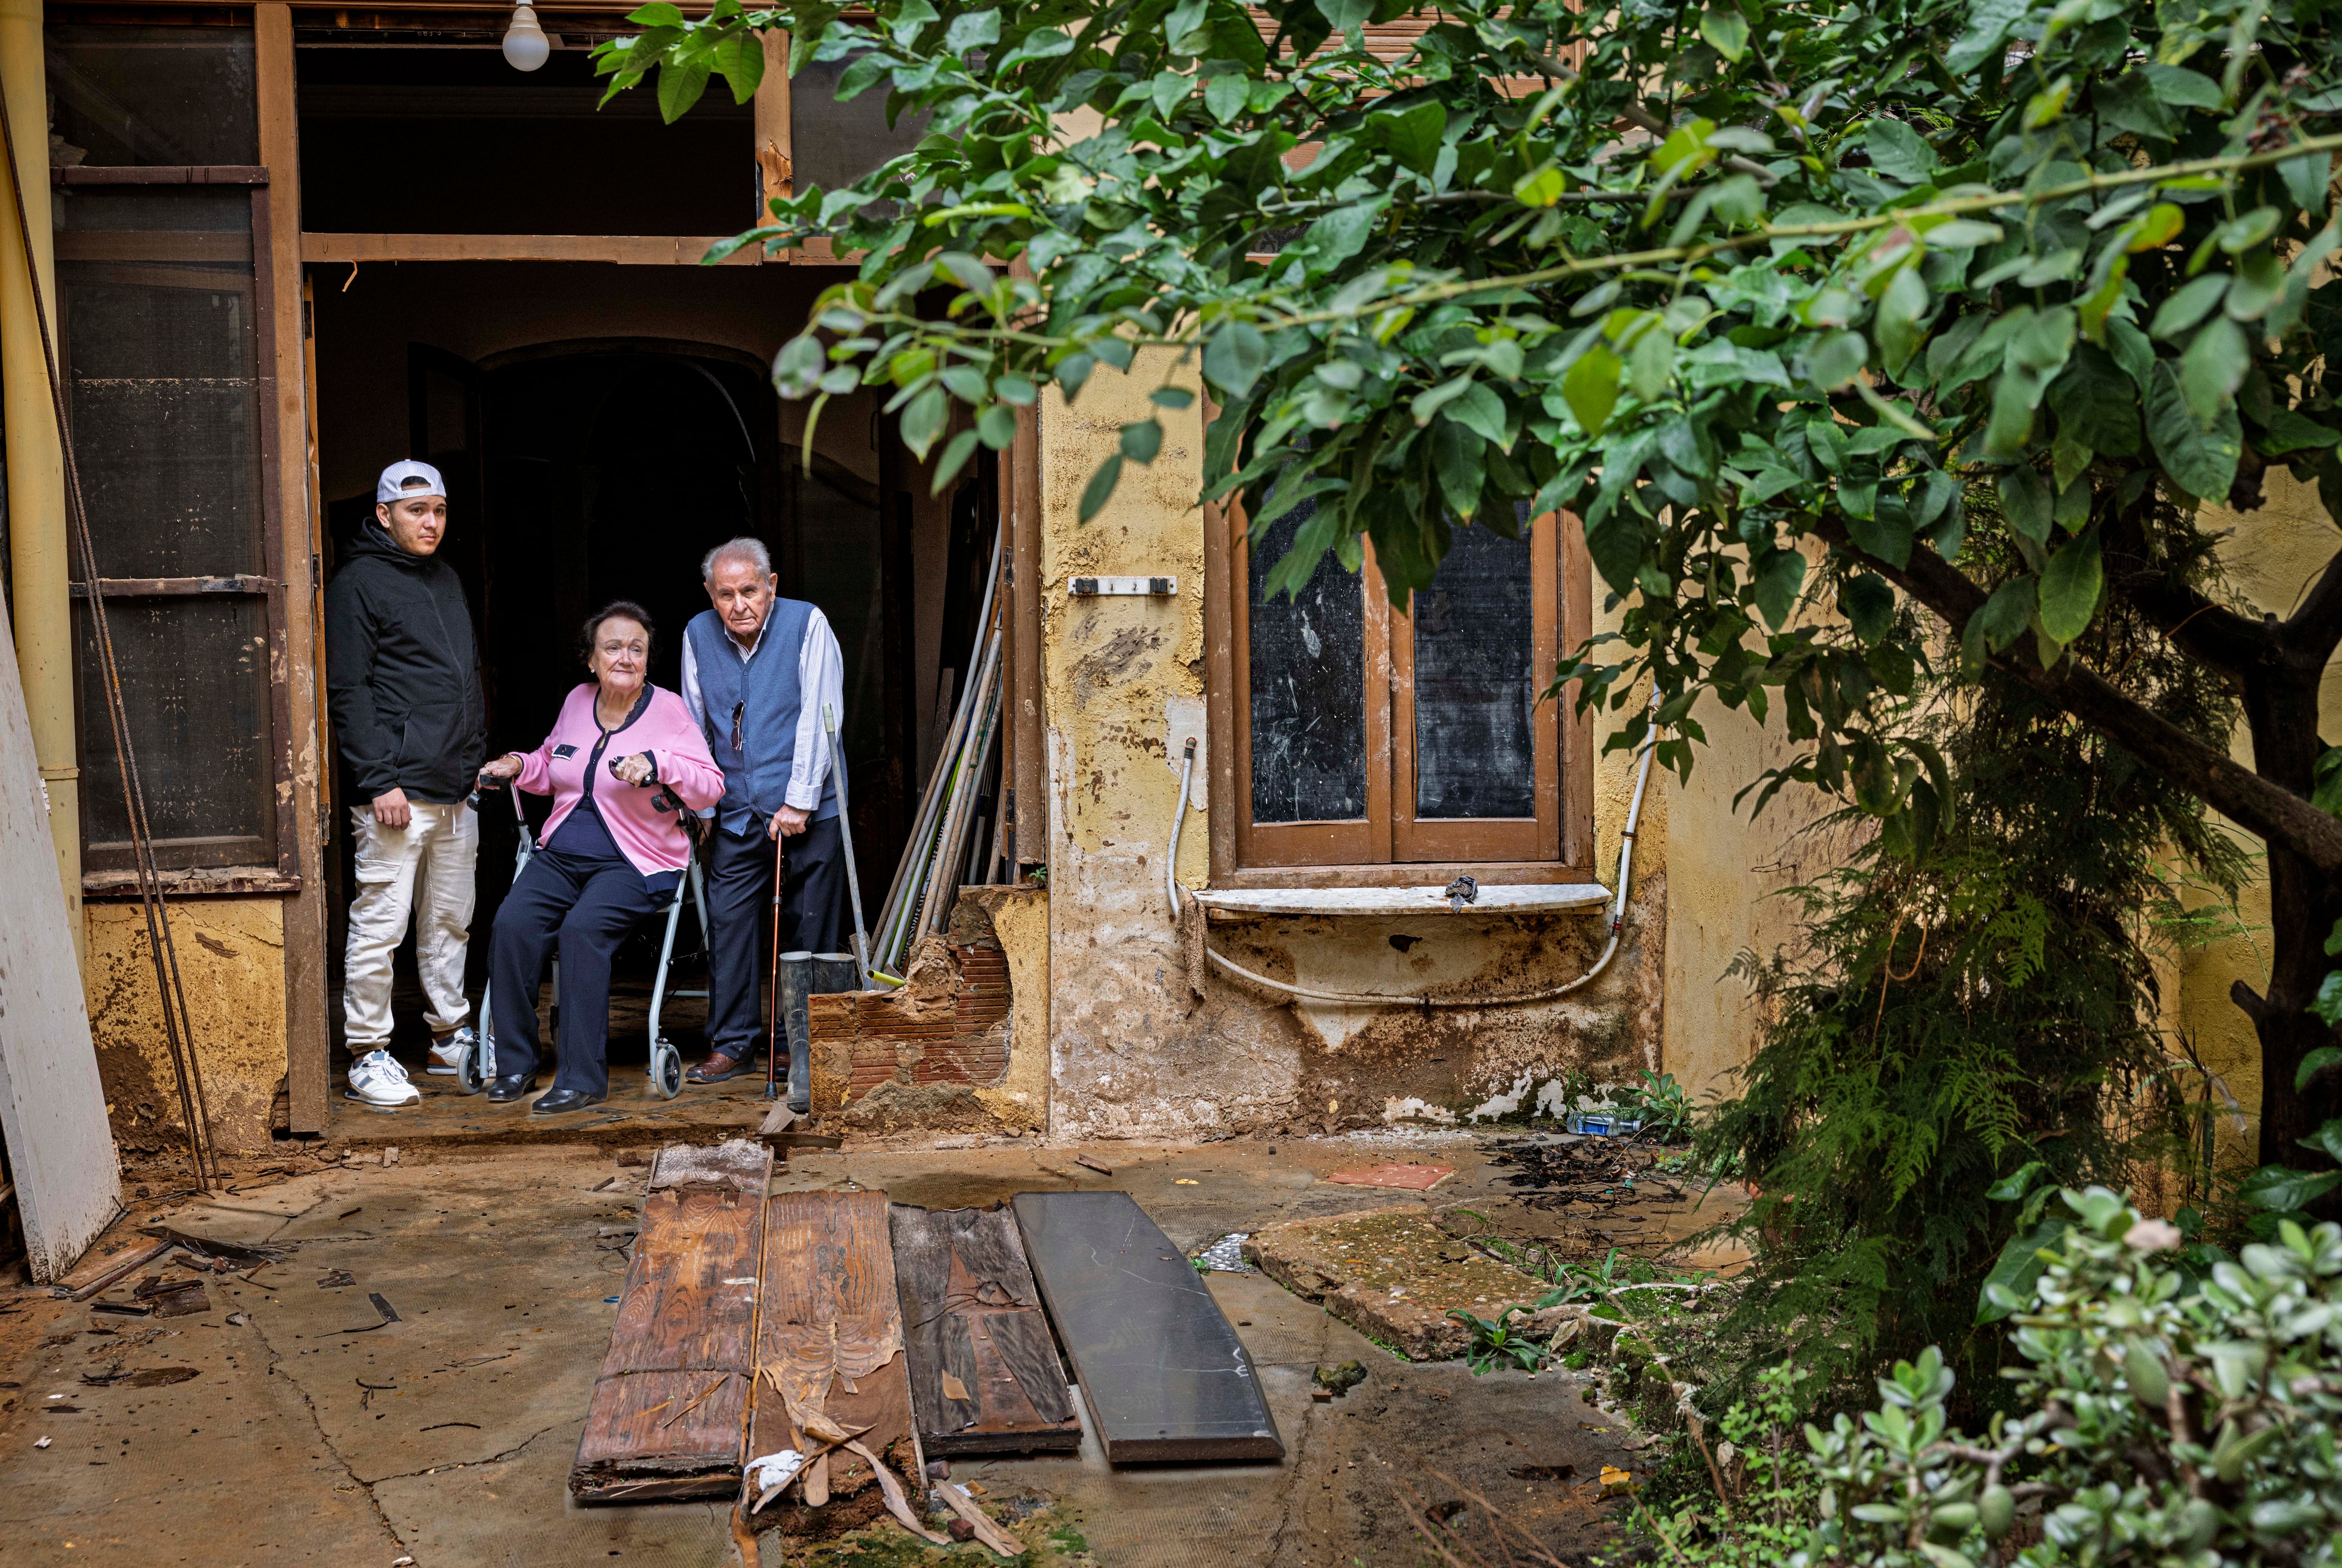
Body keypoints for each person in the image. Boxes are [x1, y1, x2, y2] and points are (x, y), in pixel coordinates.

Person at [475, 603, 724, 1114]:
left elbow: (711, 787)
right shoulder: (576, 701)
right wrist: (519, 764)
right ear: (591, 659)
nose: (625, 657)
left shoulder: (670, 711)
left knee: (581, 932)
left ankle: (581, 1079)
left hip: (637, 860)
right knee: (512, 925)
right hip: (562, 855)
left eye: (637, 648)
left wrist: (660, 764)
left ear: (648, 659)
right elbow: (554, 764)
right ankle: (516, 1065)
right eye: (612, 647)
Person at [325, 460, 487, 1109]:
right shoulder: (357, 582)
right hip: (396, 792)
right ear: (385, 514)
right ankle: (369, 1053)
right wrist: (377, 779)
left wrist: (471, 767)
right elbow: (349, 690)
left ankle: (449, 1039)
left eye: (440, 511)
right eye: (417, 510)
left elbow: (463, 679)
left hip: (454, 787)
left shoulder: (444, 577)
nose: (431, 522)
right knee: (381, 923)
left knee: (450, 923)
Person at [679, 537, 846, 1107]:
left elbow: (821, 716)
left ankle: (796, 1044)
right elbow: (693, 723)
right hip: (737, 811)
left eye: (749, 590)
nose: (739, 604)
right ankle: (734, 1042)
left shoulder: (807, 624)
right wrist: (702, 807)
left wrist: (798, 801)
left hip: (809, 809)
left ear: (770, 586)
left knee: (809, 930)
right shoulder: (698, 635)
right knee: (729, 925)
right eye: (725, 594)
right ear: (711, 595)